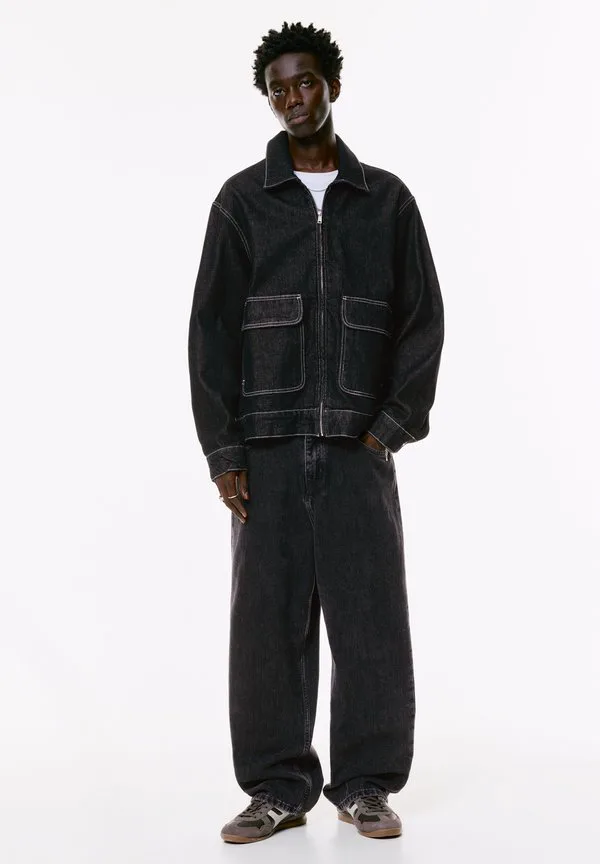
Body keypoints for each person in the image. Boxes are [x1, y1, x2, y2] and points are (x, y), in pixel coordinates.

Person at [187, 20, 444, 844]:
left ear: (333, 84)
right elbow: (209, 333)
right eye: (278, 89)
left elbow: (423, 320)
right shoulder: (242, 202)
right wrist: (224, 451)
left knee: (371, 620)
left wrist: (388, 429)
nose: (293, 99)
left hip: (357, 448)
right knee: (267, 625)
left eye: (306, 83)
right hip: (264, 450)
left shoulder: (387, 201)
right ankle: (276, 788)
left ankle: (366, 785)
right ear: (267, 99)